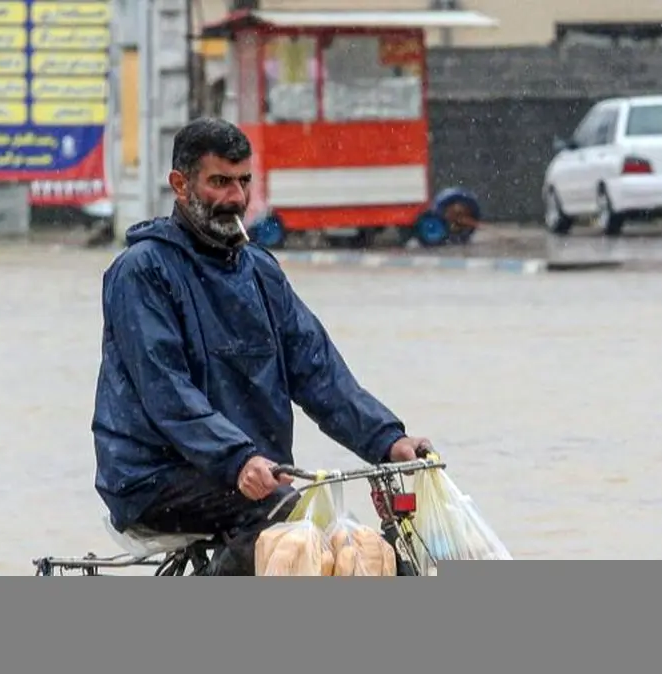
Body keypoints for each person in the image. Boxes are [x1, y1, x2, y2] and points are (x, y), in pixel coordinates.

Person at [90, 117, 433, 576]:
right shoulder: (141, 272)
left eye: (244, 181)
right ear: (180, 184)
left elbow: (318, 371)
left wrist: (387, 440)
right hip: (152, 476)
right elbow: (167, 393)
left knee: (356, 544)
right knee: (282, 517)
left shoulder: (260, 272)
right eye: (219, 182)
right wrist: (237, 458)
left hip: (253, 472)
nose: (235, 197)